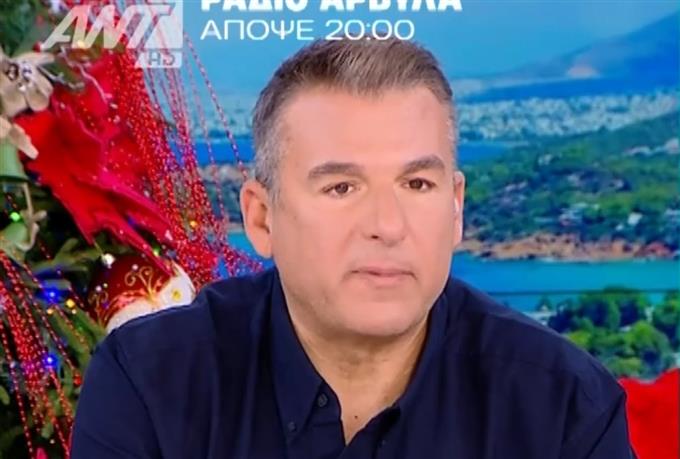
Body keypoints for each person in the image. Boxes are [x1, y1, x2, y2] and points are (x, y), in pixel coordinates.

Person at [71, 37, 636, 458]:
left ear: (456, 206)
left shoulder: (564, 405)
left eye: (417, 184)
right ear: (261, 218)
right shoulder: (150, 382)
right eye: (341, 188)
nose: (387, 226)